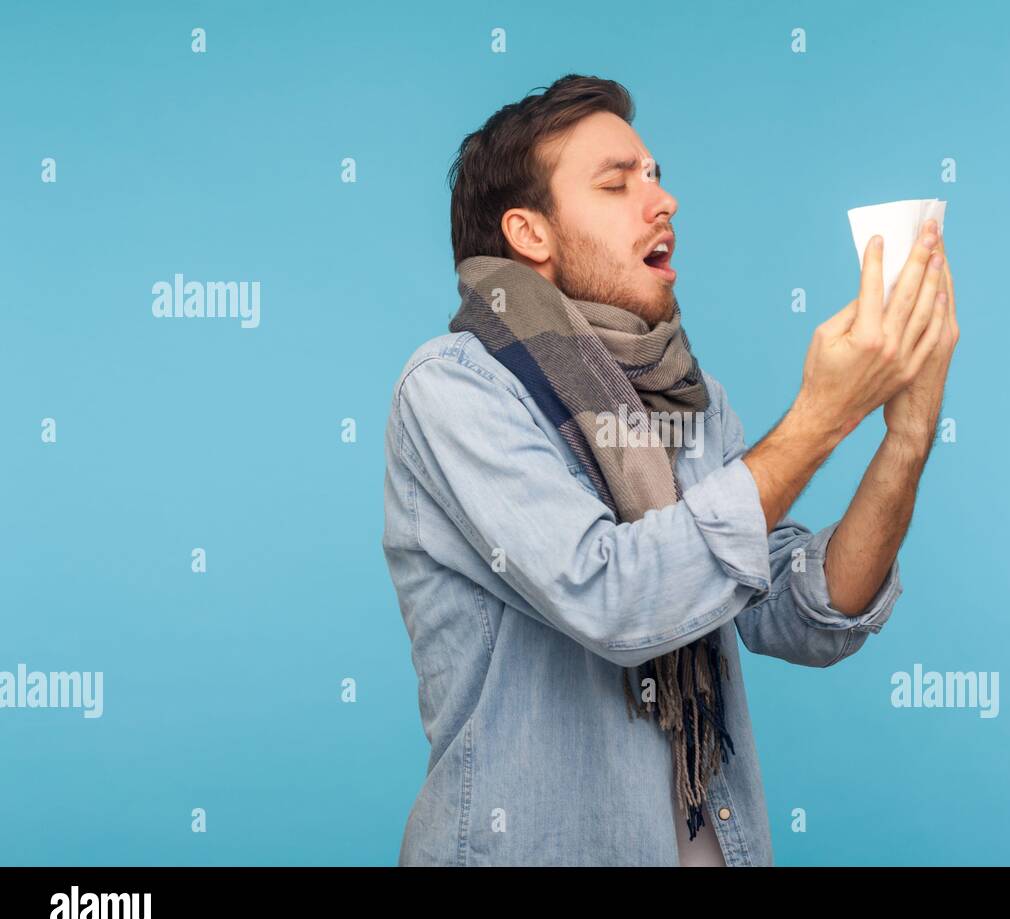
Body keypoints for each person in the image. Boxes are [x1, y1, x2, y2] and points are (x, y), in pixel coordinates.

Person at [381, 74, 959, 866]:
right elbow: (615, 598)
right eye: (617, 183)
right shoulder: (456, 387)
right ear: (529, 232)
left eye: (654, 175)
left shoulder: (687, 396)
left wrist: (906, 432)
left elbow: (801, 612)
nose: (663, 202)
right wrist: (821, 417)